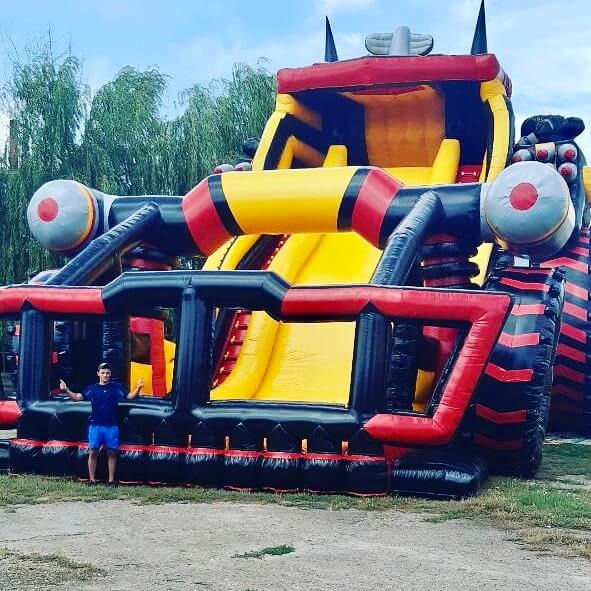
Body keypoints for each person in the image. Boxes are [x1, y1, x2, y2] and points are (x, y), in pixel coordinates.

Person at [60, 363, 144, 486]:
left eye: (107, 373)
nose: (105, 375)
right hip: (95, 426)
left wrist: (138, 388)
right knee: (93, 452)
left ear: (110, 374)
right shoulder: (91, 389)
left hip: (111, 426)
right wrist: (66, 390)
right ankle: (92, 480)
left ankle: (111, 481)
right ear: (98, 373)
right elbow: (77, 397)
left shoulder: (116, 388)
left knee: (112, 453)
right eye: (103, 373)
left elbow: (129, 397)